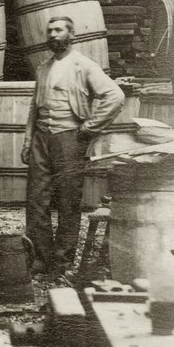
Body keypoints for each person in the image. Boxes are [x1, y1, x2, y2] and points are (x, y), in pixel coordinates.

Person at [22, 16, 124, 276]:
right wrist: (28, 140)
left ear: (71, 34)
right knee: (36, 199)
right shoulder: (43, 68)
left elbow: (115, 96)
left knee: (68, 200)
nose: (53, 35)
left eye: (59, 30)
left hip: (69, 139)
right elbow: (34, 108)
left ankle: (61, 261)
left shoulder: (83, 65)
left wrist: (89, 127)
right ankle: (40, 258)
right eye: (49, 31)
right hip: (41, 139)